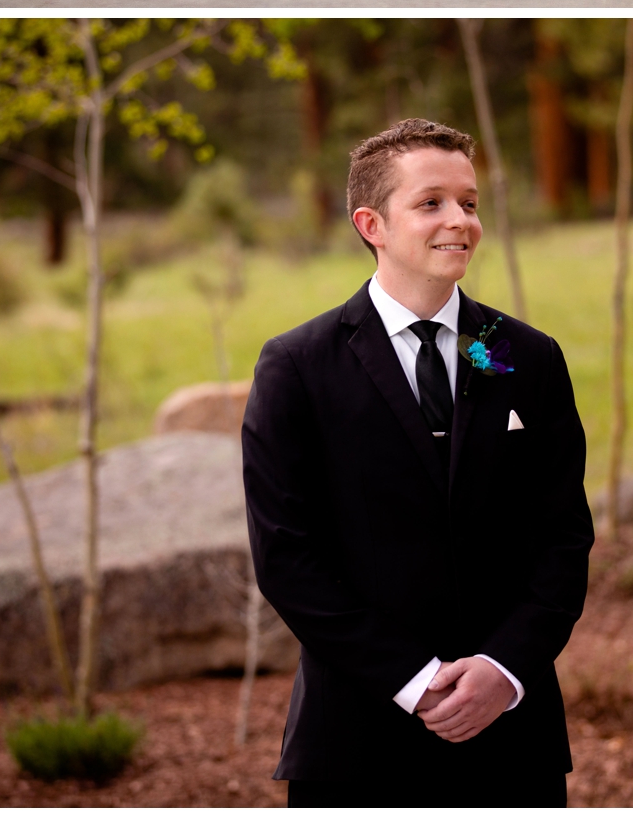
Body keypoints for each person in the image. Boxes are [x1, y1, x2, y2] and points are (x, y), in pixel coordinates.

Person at [241, 119, 592, 809]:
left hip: (512, 736)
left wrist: (503, 668)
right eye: (431, 202)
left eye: (469, 201)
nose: (459, 219)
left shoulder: (522, 353)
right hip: (357, 739)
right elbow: (286, 556)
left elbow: (563, 537)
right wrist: (413, 678)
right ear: (371, 222)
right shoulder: (299, 367)